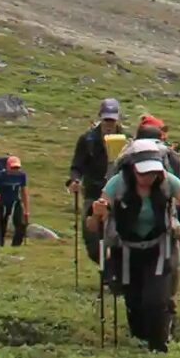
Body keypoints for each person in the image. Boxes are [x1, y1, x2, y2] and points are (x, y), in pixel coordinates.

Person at [86, 154, 180, 352]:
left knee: (156, 300)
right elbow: (93, 225)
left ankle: (158, 347)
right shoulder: (116, 184)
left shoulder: (168, 181)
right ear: (133, 169)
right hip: (127, 251)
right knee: (134, 301)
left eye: (153, 172)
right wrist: (96, 213)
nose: (149, 177)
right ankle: (140, 340)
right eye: (144, 172)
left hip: (158, 249)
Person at [68, 99, 124, 266]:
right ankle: (105, 264)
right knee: (91, 238)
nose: (109, 123)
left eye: (112, 120)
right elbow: (76, 166)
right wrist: (74, 180)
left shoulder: (126, 140)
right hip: (93, 193)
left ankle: (114, 271)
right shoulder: (87, 139)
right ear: (100, 117)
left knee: (118, 236)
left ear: (117, 119)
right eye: (106, 119)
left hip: (118, 195)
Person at [0, 155, 29, 247]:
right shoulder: (0, 175)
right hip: (1, 202)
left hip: (15, 201)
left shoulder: (21, 176)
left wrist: (26, 209)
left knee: (21, 224)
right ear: (7, 167)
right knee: (1, 225)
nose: (15, 170)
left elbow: (24, 192)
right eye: (13, 167)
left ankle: (15, 246)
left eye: (17, 167)